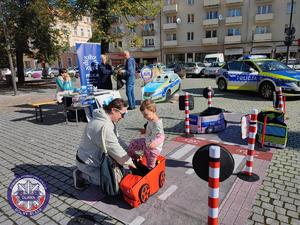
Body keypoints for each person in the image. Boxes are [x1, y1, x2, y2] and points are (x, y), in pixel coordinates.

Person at [74, 98, 136, 190]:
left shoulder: (106, 120)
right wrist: (131, 162)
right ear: (113, 110)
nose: (122, 117)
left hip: (94, 158)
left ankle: (90, 172)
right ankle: (81, 174)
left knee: (120, 173)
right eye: (122, 114)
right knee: (112, 183)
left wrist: (130, 152)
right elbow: (116, 150)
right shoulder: (104, 126)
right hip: (87, 163)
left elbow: (117, 140)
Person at [128, 100, 165, 169]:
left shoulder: (158, 123)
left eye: (146, 114)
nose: (144, 117)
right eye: (143, 115)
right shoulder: (150, 120)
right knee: (133, 143)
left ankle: (151, 173)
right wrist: (145, 131)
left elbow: (161, 136)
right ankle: (135, 157)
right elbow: (151, 131)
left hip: (153, 149)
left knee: (150, 166)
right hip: (146, 142)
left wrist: (154, 143)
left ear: (153, 110)